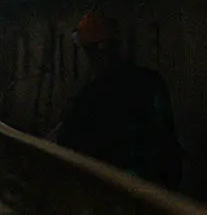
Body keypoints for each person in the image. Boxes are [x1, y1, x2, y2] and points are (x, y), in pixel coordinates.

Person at [56, 10, 183, 189]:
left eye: (87, 51)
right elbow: (168, 143)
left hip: (111, 190)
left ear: (96, 50)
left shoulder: (92, 96)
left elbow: (68, 143)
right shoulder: (151, 82)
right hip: (152, 190)